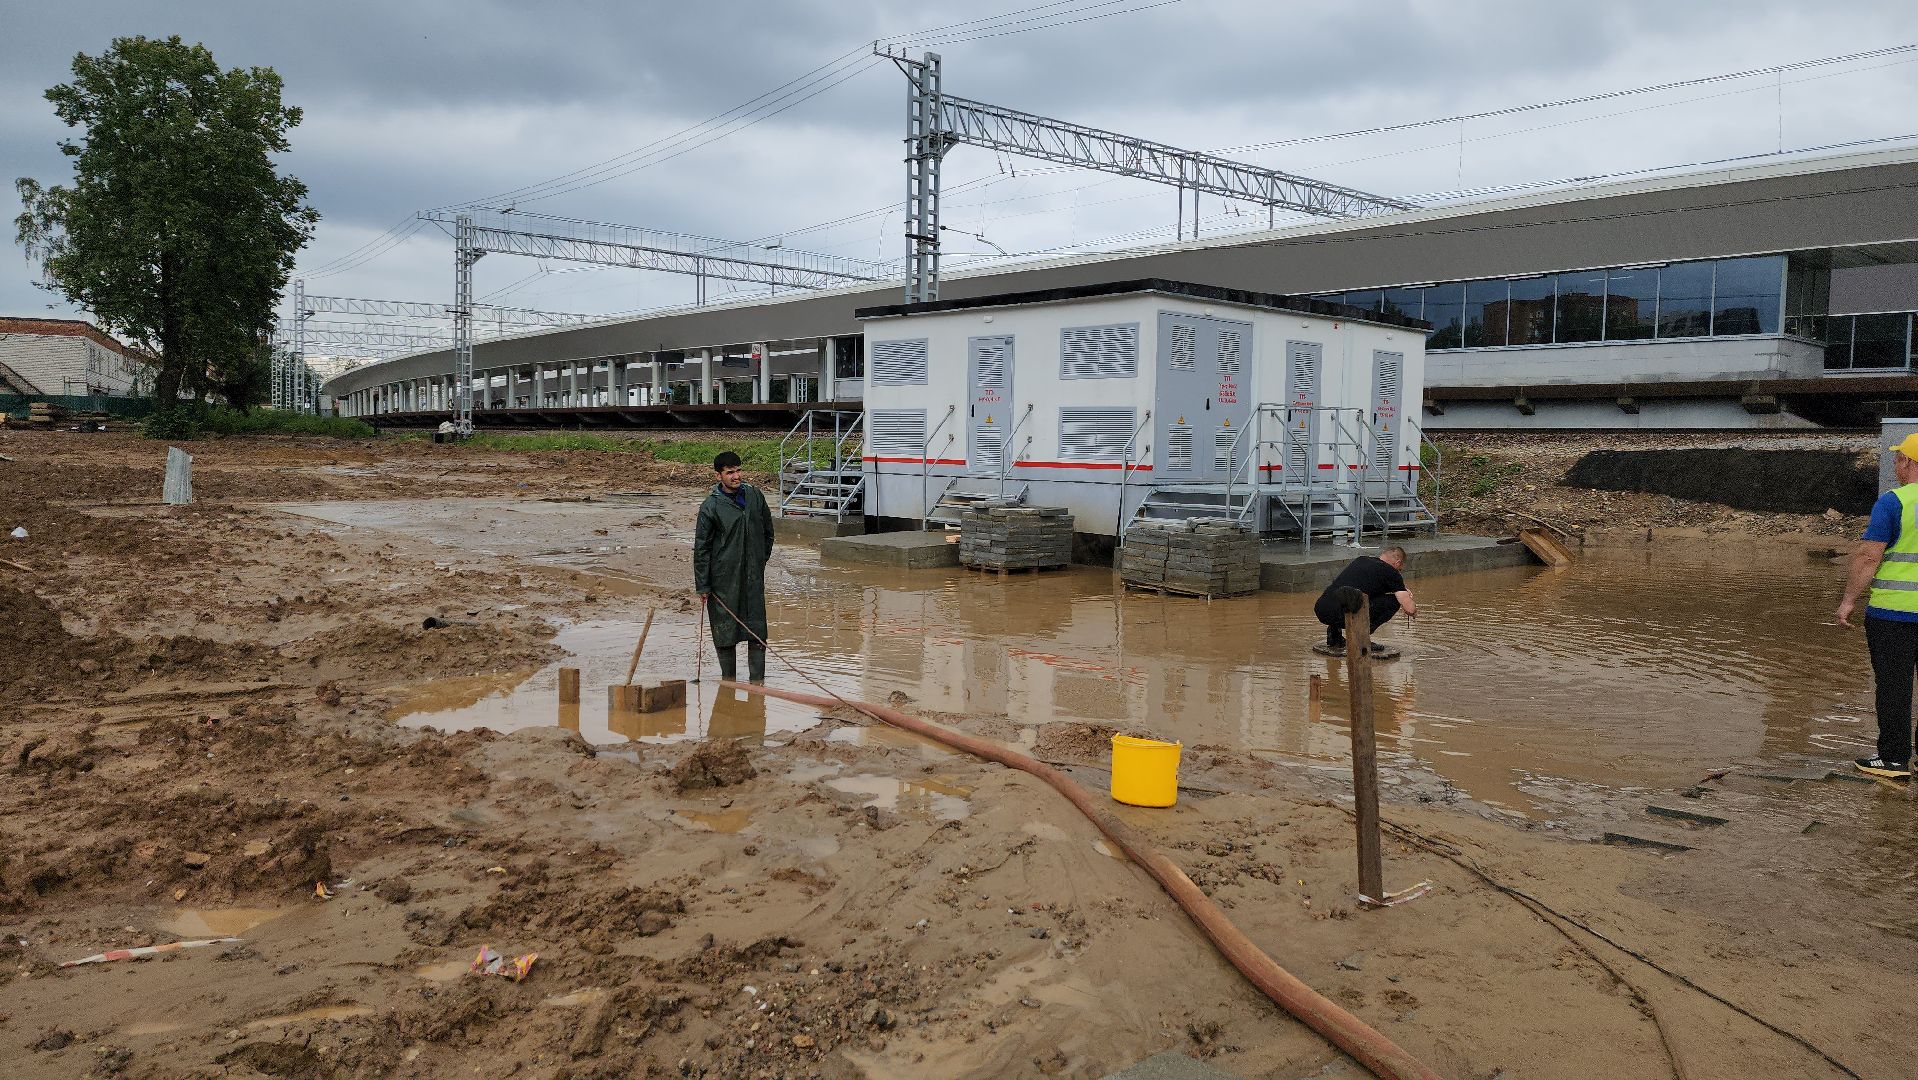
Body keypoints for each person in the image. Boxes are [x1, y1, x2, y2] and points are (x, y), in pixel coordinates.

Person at [1835, 432, 1918, 779]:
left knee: (1894, 686)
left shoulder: (1893, 502)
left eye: (1899, 459)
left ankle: (1895, 759)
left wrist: (1848, 600)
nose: (1896, 465)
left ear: (1910, 464)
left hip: (1893, 613)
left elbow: (1870, 556)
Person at [694, 450, 775, 682]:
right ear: (719, 475)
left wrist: (760, 559)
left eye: (738, 470)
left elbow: (768, 531)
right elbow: (702, 548)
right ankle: (728, 683)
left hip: (753, 576)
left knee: (757, 629)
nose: (736, 476)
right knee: (725, 629)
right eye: (730, 472)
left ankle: (757, 684)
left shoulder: (755, 496)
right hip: (723, 580)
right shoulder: (710, 506)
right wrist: (703, 585)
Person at [1314, 545, 1416, 655]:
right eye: (1399, 569)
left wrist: (1401, 589)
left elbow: (1369, 587)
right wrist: (1411, 605)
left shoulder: (1361, 560)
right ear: (1397, 563)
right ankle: (1362, 639)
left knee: (1352, 596)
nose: (1398, 572)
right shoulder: (1391, 572)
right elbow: (1409, 609)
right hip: (1340, 615)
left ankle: (1334, 635)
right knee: (1394, 602)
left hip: (1322, 610)